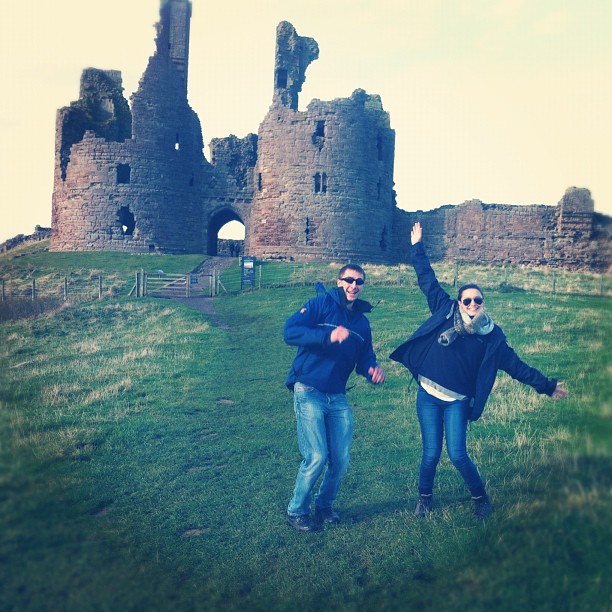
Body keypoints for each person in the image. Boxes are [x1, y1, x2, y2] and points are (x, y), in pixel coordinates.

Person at [390, 222, 567, 519]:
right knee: (431, 454)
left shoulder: (493, 338)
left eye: (478, 300)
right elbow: (427, 279)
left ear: (483, 303)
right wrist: (417, 246)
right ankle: (424, 498)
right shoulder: (445, 310)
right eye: (467, 299)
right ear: (459, 302)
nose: (472, 303)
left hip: (458, 401)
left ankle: (480, 498)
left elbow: (518, 368)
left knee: (458, 454)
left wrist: (547, 386)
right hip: (429, 395)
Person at [284, 264, 385, 531]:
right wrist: (327, 335)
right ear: (339, 281)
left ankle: (324, 506)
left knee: (340, 460)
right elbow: (290, 332)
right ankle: (296, 511)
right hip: (309, 390)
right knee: (317, 456)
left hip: (337, 396)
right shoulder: (320, 304)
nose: (354, 285)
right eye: (349, 280)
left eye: (359, 282)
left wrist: (371, 370)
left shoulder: (362, 323)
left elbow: (365, 357)